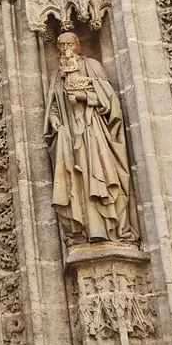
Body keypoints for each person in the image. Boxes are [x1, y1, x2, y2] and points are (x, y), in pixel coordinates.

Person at [45, 32, 139, 244]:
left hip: (93, 131)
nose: (65, 48)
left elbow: (110, 102)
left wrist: (82, 96)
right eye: (61, 45)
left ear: (78, 44)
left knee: (102, 174)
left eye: (69, 43)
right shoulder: (57, 77)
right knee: (76, 184)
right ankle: (84, 229)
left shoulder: (93, 66)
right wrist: (54, 121)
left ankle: (111, 229)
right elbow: (54, 106)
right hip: (70, 135)